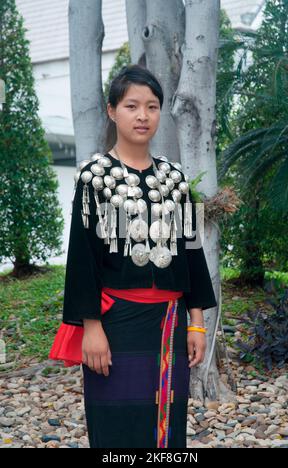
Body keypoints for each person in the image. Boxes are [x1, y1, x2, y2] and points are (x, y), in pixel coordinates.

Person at [49, 64, 217, 448]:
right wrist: (91, 327)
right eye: (132, 105)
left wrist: (196, 323)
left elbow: (191, 251)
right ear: (112, 110)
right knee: (115, 419)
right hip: (115, 324)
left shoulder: (174, 178)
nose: (143, 116)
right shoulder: (93, 178)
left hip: (169, 323)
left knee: (167, 418)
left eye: (152, 106)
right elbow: (82, 259)